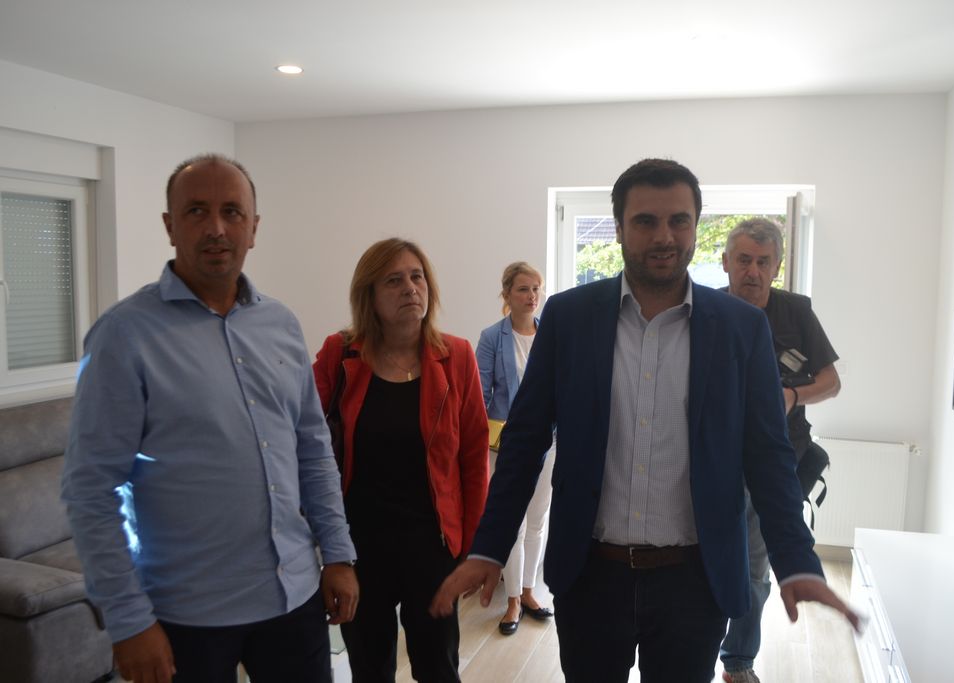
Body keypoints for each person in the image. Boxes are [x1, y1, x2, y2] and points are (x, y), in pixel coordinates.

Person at [430, 158, 858, 683]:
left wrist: (796, 560)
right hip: (590, 576)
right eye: (645, 221)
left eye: (679, 221)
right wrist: (490, 546)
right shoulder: (569, 317)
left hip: (694, 583)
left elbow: (767, 455)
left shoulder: (741, 328)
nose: (664, 236)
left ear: (696, 228)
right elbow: (524, 440)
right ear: (618, 228)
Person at [61, 154, 358, 683]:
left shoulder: (281, 324)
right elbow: (92, 489)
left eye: (232, 212)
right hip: (186, 617)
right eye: (196, 211)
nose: (216, 228)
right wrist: (128, 619)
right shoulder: (124, 336)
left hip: (293, 597)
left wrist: (337, 552)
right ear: (170, 226)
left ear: (254, 228)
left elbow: (311, 448)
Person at [313, 238, 489, 682]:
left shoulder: (456, 356)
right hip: (359, 549)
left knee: (438, 667)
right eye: (393, 280)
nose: (410, 288)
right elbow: (305, 442)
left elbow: (473, 456)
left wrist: (474, 549)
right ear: (369, 296)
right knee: (369, 669)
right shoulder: (340, 354)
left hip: (432, 546)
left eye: (417, 277)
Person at [718, 217, 841, 683]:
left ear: (777, 266)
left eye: (763, 262)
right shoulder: (706, 310)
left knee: (754, 566)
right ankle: (694, 653)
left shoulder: (797, 313)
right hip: (714, 459)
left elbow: (831, 382)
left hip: (776, 460)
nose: (753, 271)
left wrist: (792, 396)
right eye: (744, 260)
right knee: (704, 561)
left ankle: (738, 661)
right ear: (726, 262)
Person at [476, 262, 555, 635]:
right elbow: (480, 394)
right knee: (514, 522)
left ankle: (527, 592)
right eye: (523, 289)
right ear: (507, 294)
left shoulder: (550, 335)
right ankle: (511, 601)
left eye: (536, 288)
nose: (532, 295)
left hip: (549, 441)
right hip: (506, 444)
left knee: (538, 520)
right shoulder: (493, 337)